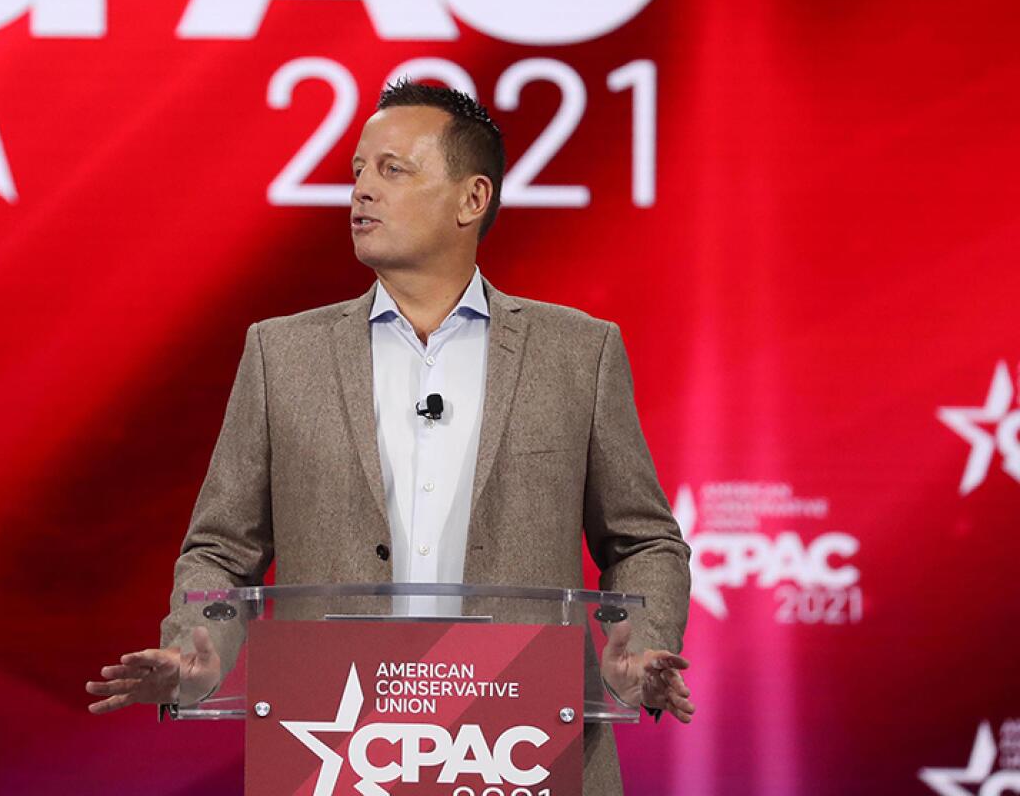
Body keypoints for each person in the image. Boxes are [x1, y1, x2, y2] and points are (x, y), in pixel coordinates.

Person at [86, 79, 694, 793]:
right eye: (358, 172)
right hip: (335, 748)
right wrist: (196, 651)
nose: (360, 192)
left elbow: (644, 540)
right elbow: (222, 547)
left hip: (523, 750)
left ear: (473, 199)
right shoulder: (283, 355)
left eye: (392, 170)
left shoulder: (577, 353)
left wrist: (641, 647)